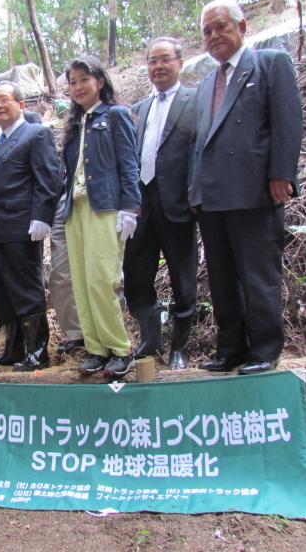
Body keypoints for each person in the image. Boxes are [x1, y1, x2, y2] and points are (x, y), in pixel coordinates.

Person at [190, 0, 302, 375]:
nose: (214, 35)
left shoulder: (270, 64)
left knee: (258, 275)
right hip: (212, 196)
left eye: (221, 26)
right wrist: (195, 190)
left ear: (242, 26)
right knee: (222, 278)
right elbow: (200, 141)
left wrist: (281, 174)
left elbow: (287, 122)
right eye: (207, 31)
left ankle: (265, 349)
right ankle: (231, 348)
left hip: (254, 190)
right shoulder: (207, 83)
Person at [0, 75, 82, 355]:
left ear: (21, 104)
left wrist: (42, 216)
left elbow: (49, 177)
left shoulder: (35, 133)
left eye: (3, 100)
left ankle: (37, 350)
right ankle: (14, 349)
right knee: (2, 291)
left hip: (18, 224)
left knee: (24, 288)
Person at [62, 56, 141, 378]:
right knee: (80, 282)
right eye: (72, 81)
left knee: (101, 280)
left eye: (84, 79)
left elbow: (129, 164)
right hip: (75, 210)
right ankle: (96, 349)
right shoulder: (75, 123)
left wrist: (130, 208)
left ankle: (120, 349)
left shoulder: (116, 116)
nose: (78, 86)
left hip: (105, 207)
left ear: (100, 81)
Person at [123, 37, 197, 370]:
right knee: (135, 275)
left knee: (184, 279)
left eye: (165, 59)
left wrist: (194, 193)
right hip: (141, 206)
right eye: (152, 61)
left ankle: (181, 346)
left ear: (180, 63)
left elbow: (199, 151)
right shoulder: (138, 110)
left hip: (178, 203)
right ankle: (150, 334)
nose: (158, 67)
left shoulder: (193, 101)